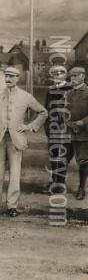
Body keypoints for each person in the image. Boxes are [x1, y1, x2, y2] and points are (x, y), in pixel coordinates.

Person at [0, 67, 47, 218]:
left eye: (12, 76)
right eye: (6, 76)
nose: (9, 79)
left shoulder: (26, 96)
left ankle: (12, 206)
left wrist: (29, 127)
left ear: (18, 78)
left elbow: (43, 112)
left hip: (16, 139)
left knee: (15, 173)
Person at [44, 65, 73, 194]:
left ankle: (60, 183)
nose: (57, 75)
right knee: (53, 154)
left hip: (64, 127)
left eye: (60, 73)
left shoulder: (70, 88)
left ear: (65, 75)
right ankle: (54, 179)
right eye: (55, 73)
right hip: (52, 127)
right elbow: (46, 109)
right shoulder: (50, 90)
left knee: (63, 155)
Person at [65, 67, 88, 200]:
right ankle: (57, 184)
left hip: (83, 134)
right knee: (63, 159)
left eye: (75, 76)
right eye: (71, 76)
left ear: (83, 76)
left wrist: (82, 123)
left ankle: (81, 189)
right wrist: (67, 122)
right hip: (69, 133)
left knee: (83, 162)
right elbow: (65, 111)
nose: (72, 79)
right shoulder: (68, 94)